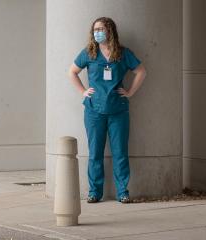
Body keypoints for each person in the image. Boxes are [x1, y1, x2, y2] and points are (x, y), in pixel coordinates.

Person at [68, 17, 147, 204]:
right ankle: (95, 192)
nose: (97, 32)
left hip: (118, 110)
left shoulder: (123, 53)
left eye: (101, 29)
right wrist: (83, 92)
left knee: (120, 152)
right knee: (95, 152)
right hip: (94, 111)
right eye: (95, 29)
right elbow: (72, 72)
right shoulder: (89, 53)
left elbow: (141, 71)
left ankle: (123, 192)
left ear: (110, 31)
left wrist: (129, 92)